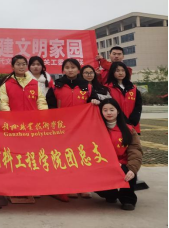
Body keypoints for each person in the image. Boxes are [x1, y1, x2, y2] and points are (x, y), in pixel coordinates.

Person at [47, 59, 101, 201]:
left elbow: (94, 100)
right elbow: (50, 106)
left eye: (73, 67)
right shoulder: (56, 86)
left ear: (78, 69)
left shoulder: (87, 86)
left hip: (81, 128)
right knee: (64, 157)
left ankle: (83, 187)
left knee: (81, 157)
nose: (70, 70)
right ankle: (68, 187)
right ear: (63, 70)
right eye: (67, 67)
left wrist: (95, 101)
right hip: (62, 129)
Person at [96, 99, 143, 211]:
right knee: (97, 184)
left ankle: (127, 199)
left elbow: (135, 150)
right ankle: (111, 194)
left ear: (118, 111)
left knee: (128, 174)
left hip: (123, 164)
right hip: (104, 164)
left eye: (111, 110)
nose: (108, 113)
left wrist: (132, 168)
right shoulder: (96, 129)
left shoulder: (129, 130)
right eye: (105, 110)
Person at [106, 62, 143, 134]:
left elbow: (138, 105)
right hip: (116, 125)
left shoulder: (133, 88)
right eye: (117, 71)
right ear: (112, 72)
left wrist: (134, 119)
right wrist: (124, 120)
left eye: (123, 70)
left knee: (134, 141)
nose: (121, 73)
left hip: (133, 125)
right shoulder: (107, 88)